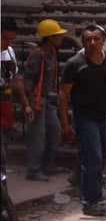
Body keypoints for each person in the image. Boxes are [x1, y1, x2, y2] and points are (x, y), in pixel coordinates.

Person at [58, 25, 106, 217]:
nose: (92, 43)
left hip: (104, 117)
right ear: (83, 42)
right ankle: (90, 201)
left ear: (103, 40)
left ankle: (86, 184)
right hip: (85, 119)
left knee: (101, 156)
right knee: (93, 157)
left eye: (96, 39)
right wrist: (65, 124)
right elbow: (63, 95)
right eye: (88, 39)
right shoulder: (74, 64)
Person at [23, 19, 69, 182]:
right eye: (57, 36)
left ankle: (48, 164)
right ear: (50, 38)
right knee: (37, 135)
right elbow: (28, 81)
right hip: (37, 100)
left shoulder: (51, 53)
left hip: (46, 99)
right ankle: (33, 169)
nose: (60, 38)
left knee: (54, 130)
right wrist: (30, 103)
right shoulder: (38, 55)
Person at [1, 17, 34, 174]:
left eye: (11, 39)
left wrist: (26, 104)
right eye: (4, 38)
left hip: (6, 112)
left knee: (3, 155)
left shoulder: (10, 52)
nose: (7, 42)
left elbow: (15, 81)